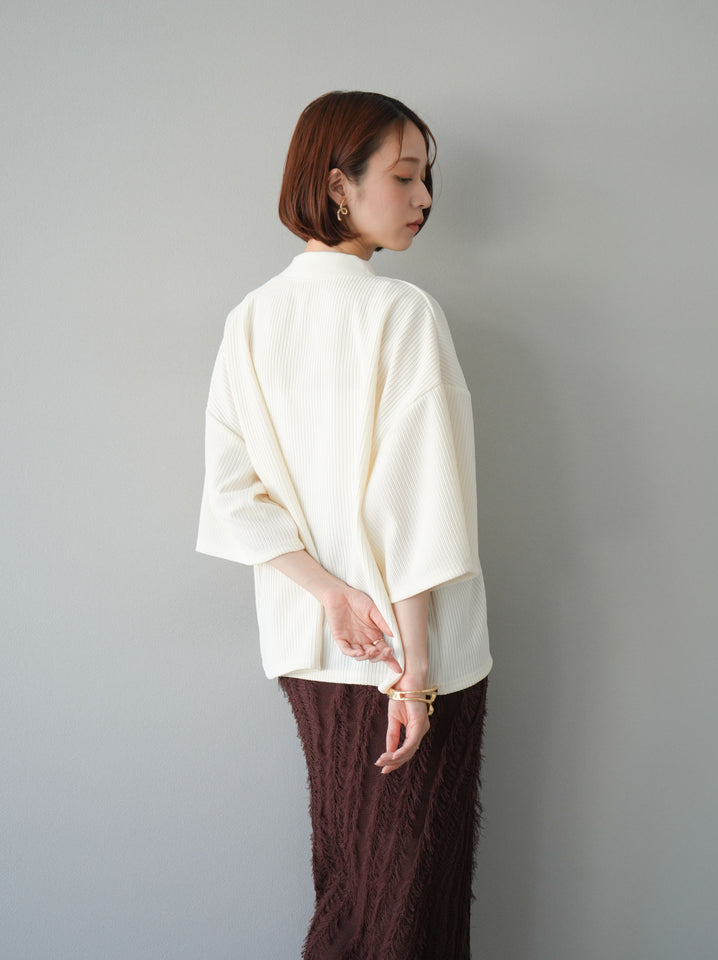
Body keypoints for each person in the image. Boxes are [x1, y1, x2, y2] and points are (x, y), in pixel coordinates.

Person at [196, 90, 492, 960]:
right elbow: (420, 503)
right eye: (405, 176)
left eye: (427, 178)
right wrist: (414, 677)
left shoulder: (251, 319)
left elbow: (232, 493)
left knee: (355, 884)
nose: (425, 197)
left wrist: (327, 594)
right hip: (413, 660)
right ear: (336, 185)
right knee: (409, 904)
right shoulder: (401, 313)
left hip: (310, 648)